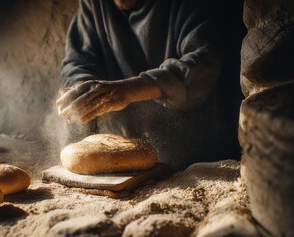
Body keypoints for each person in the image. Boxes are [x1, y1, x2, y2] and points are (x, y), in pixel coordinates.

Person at [56, 0, 243, 170]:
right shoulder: (93, 5)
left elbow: (204, 63)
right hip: (123, 149)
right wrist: (81, 89)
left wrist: (128, 90)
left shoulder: (190, 5)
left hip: (194, 151)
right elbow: (77, 61)